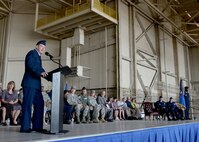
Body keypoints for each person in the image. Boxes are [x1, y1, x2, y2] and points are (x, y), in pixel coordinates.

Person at [20, 40, 48, 133]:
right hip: (29, 84)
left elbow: (38, 67)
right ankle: (25, 128)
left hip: (36, 85)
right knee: (27, 105)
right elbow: (31, 65)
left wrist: (45, 73)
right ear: (36, 46)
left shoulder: (38, 56)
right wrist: (41, 72)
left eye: (44, 48)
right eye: (41, 46)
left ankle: (37, 126)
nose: (43, 48)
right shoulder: (32, 53)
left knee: (40, 104)